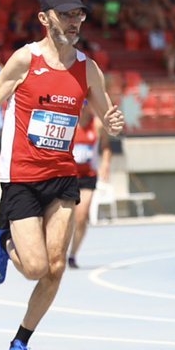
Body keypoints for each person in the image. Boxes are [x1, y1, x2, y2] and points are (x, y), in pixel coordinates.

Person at [0, 0, 125, 350]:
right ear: (45, 19)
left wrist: (114, 123)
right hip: (22, 176)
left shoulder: (88, 68)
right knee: (36, 268)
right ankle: (4, 237)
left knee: (56, 267)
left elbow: (107, 117)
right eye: (66, 15)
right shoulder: (24, 60)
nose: (75, 22)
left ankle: (20, 343)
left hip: (62, 175)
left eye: (79, 15)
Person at [67, 104, 113, 269]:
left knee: (81, 217)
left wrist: (105, 163)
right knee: (65, 217)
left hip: (88, 176)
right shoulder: (70, 122)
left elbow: (106, 147)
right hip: (69, 176)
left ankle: (72, 254)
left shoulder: (97, 125)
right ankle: (58, 250)